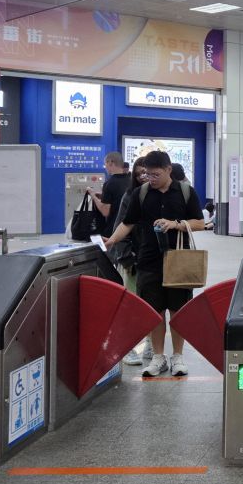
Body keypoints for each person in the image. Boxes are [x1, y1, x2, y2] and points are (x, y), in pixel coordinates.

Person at [104, 151, 204, 377]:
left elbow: (199, 223)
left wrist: (175, 224)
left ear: (169, 170)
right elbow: (127, 223)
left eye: (155, 174)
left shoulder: (186, 192)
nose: (150, 178)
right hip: (148, 261)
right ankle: (158, 357)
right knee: (155, 311)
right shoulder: (141, 194)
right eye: (147, 174)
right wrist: (112, 240)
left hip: (178, 260)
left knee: (178, 311)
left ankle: (177, 356)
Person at [113, 161, 151, 367]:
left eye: (149, 174)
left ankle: (151, 344)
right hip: (133, 261)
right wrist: (127, 257)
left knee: (154, 306)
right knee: (130, 306)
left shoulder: (159, 196)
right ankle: (126, 348)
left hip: (155, 261)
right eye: (140, 174)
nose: (145, 177)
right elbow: (122, 226)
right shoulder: (130, 197)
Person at [90, 151, 131, 237]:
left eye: (105, 164)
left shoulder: (109, 183)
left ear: (110, 162)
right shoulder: (131, 180)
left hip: (114, 230)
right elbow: (119, 197)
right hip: (130, 229)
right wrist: (103, 195)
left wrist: (93, 196)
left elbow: (105, 212)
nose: (105, 167)